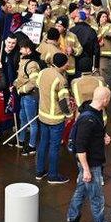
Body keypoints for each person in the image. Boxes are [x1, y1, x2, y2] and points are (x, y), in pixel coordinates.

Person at [65, 86, 111, 222]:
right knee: (97, 197)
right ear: (104, 100)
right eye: (108, 98)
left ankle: (72, 220)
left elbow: (92, 135)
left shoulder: (93, 112)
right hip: (91, 164)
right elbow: (80, 147)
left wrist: (103, 136)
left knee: (81, 191)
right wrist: (86, 169)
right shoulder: (89, 120)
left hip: (89, 162)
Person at [36, 53, 74, 184]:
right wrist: (69, 115)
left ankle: (39, 171)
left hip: (42, 115)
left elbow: (37, 86)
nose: (68, 64)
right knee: (54, 147)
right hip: (55, 119)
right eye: (67, 62)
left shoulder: (43, 72)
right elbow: (64, 102)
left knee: (43, 143)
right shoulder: (61, 80)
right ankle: (53, 175)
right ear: (63, 65)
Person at [13, 39, 43, 156]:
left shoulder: (32, 64)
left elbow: (34, 82)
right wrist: (16, 84)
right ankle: (21, 140)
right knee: (23, 118)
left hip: (30, 96)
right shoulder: (24, 60)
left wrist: (21, 90)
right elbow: (21, 77)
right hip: (24, 96)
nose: (20, 50)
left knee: (32, 122)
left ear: (28, 50)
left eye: (22, 48)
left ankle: (31, 146)